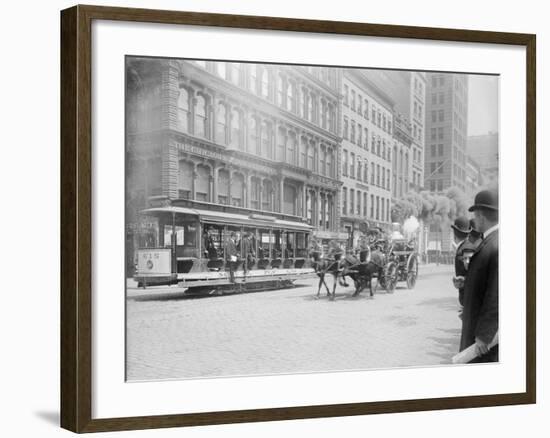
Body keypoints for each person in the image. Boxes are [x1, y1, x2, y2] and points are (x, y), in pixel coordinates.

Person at [460, 190, 499, 363]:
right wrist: (466, 283)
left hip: (482, 340)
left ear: (480, 215)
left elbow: (496, 292)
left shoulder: (495, 244)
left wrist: (485, 333)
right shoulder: (491, 241)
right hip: (476, 326)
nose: (475, 220)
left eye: (475, 216)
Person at [451, 216, 475, 316]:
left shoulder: (466, 249)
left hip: (469, 297)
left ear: (454, 233)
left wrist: (461, 280)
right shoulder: (466, 246)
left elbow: (471, 272)